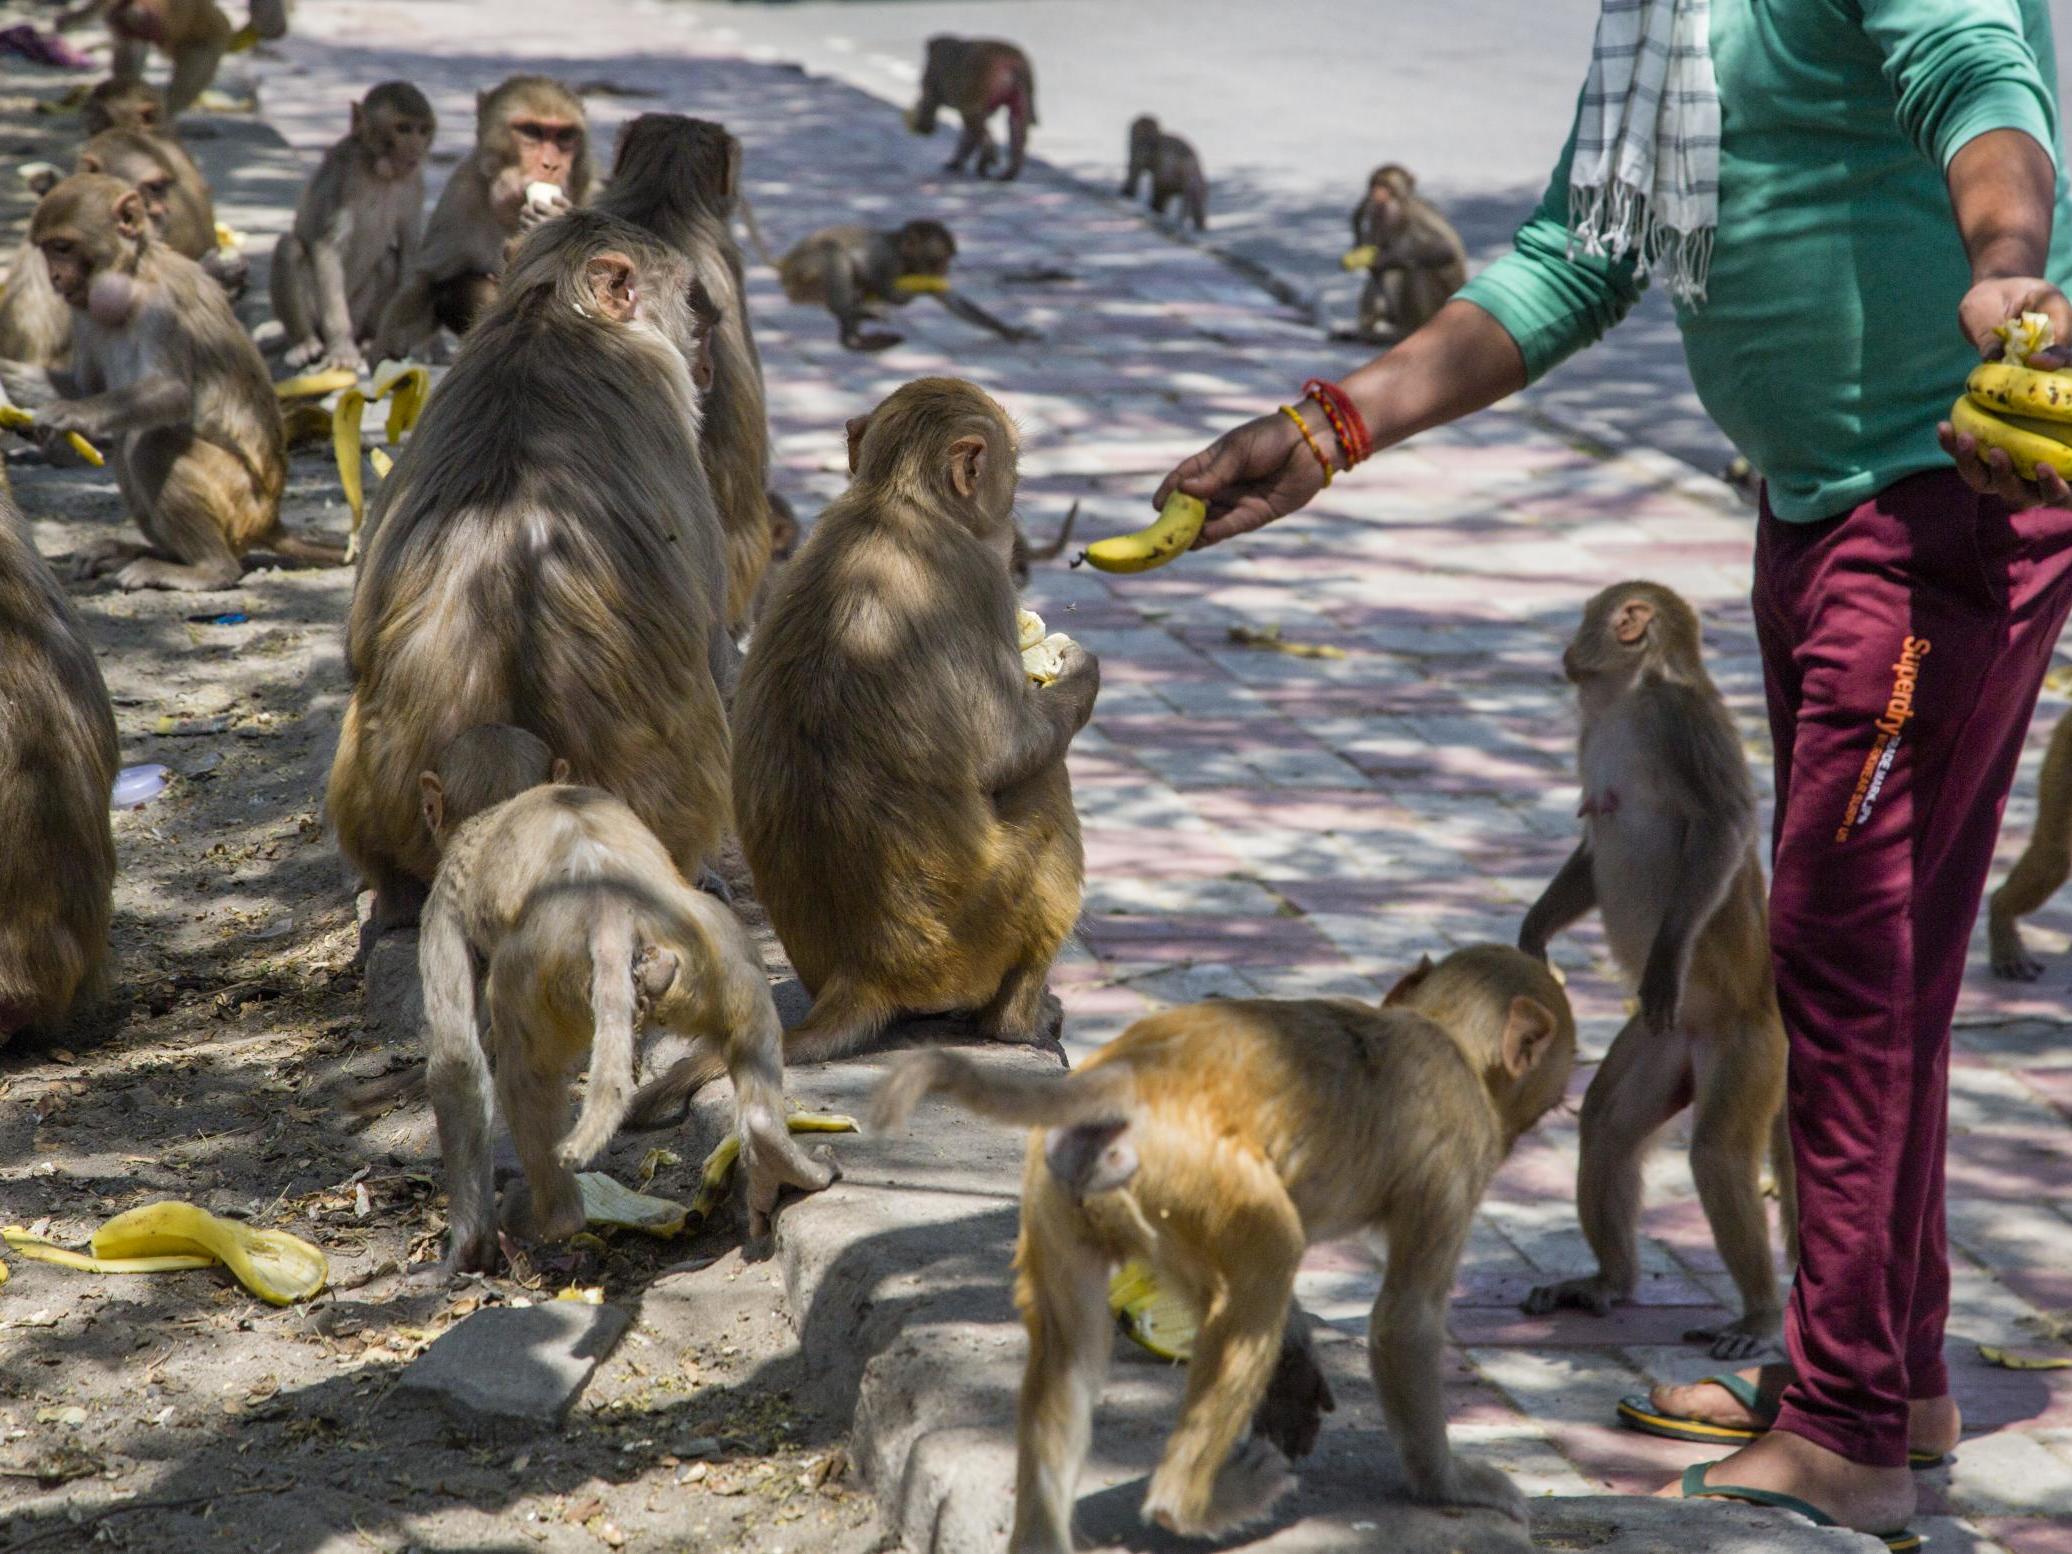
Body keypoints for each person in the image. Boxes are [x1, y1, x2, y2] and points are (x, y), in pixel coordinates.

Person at [1156, 0, 2070, 1546]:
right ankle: (1890, 1370)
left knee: (1840, 955)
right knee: (1886, 955)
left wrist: (2003, 266)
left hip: (1945, 501)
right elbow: (1582, 245)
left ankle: (1849, 1424)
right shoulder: (1666, 15)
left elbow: (1979, 71)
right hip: (1822, 503)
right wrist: (1333, 426)